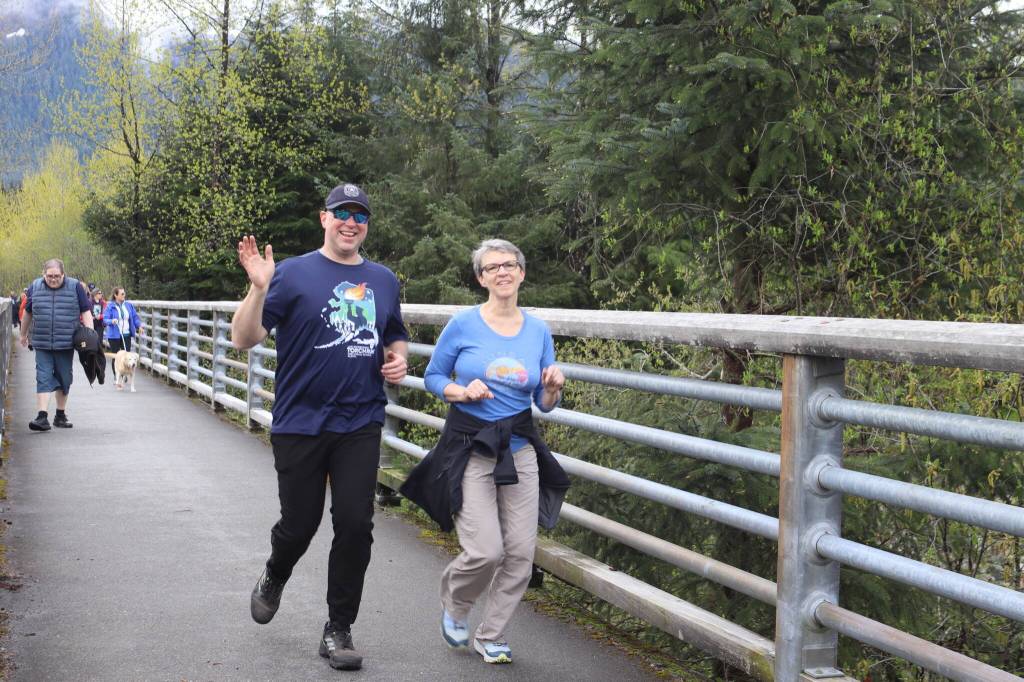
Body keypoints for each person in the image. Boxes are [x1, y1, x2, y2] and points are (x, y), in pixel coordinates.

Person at [231, 182, 409, 672]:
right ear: (324, 218)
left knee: (355, 524)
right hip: (301, 422)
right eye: (342, 213)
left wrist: (398, 362)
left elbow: (393, 334)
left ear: (367, 224)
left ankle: (338, 629)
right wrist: (258, 287)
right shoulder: (290, 274)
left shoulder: (383, 280)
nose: (351, 222)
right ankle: (275, 571)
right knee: (300, 525)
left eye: (360, 215)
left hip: (360, 420)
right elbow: (243, 338)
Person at [399, 238, 571, 665]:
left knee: (520, 554)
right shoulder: (463, 324)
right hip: (470, 445)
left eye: (510, 265)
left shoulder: (538, 330)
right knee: (484, 550)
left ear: (522, 273)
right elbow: (434, 377)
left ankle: (491, 634)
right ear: (481, 278)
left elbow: (543, 402)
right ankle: (456, 604)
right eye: (492, 267)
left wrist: (552, 390)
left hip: (519, 448)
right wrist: (462, 390)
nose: (502, 272)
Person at [20, 258, 93, 431]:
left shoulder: (75, 287)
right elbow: (28, 313)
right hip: (42, 342)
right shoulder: (35, 287)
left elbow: (86, 311)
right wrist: (23, 334)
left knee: (64, 378)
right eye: (50, 276)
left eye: (57, 276)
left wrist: (91, 337)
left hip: (66, 343)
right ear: (43, 274)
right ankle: (42, 416)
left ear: (63, 274)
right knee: (43, 376)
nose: (53, 279)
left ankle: (60, 415)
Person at [103, 287, 143, 353]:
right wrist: (111, 321)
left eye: (124, 293)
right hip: (114, 336)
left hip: (126, 334)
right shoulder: (110, 306)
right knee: (116, 357)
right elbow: (105, 319)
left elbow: (135, 317)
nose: (124, 295)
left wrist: (139, 326)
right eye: (122, 294)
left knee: (126, 356)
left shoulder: (129, 305)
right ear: (115, 295)